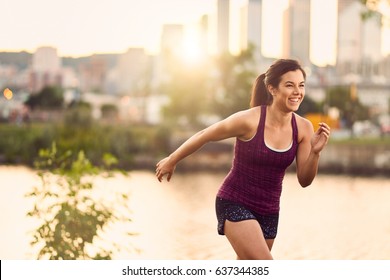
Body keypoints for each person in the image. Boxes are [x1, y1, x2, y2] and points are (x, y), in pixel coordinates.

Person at [155, 59, 330, 260]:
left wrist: (315, 153)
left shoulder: (303, 128)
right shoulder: (249, 120)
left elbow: (304, 180)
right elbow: (206, 134)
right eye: (289, 85)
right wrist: (172, 159)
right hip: (235, 202)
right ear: (272, 89)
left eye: (301, 85)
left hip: (269, 211)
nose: (297, 91)